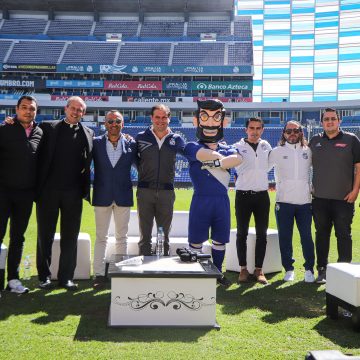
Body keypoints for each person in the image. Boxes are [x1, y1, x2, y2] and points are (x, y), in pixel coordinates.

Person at [36, 96, 93, 290]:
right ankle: (44, 276)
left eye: (80, 110)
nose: (76, 112)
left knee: (71, 236)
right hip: (48, 191)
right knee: (45, 235)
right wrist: (11, 122)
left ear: (83, 113)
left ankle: (66, 277)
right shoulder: (46, 127)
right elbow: (27, 133)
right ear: (66, 108)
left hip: (73, 193)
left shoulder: (88, 132)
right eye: (73, 108)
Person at [184, 99, 242, 287]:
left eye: (216, 117)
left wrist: (213, 164)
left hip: (221, 201)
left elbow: (236, 159)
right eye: (204, 117)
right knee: (196, 240)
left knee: (219, 239)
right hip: (201, 200)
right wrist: (221, 161)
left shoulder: (229, 148)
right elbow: (222, 159)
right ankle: (196, 274)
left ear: (223, 121)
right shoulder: (192, 146)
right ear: (197, 121)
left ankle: (216, 273)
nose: (210, 123)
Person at [310, 108, 360, 284]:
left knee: (343, 235)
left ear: (339, 121)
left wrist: (355, 191)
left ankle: (343, 271)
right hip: (320, 199)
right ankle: (322, 270)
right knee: (321, 235)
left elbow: (359, 167)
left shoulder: (351, 140)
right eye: (326, 119)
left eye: (333, 118)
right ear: (322, 122)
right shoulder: (314, 141)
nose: (329, 122)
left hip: (343, 199)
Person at [0, 95, 43, 294]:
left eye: (32, 108)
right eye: (24, 107)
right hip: (3, 192)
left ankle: (13, 280)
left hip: (26, 194)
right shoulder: (4, 129)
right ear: (16, 110)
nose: (28, 111)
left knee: (18, 237)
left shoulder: (40, 132)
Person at [92, 110, 137, 287]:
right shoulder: (95, 143)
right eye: (110, 121)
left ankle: (120, 272)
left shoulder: (131, 144)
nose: (114, 124)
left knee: (122, 237)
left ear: (122, 124)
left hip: (123, 196)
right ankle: (98, 274)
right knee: (101, 237)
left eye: (117, 121)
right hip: (102, 196)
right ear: (105, 124)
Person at [269, 121, 315, 283]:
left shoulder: (308, 151)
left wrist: (314, 186)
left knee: (306, 237)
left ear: (301, 133)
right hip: (284, 202)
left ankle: (309, 269)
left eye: (296, 130)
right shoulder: (276, 152)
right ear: (284, 133)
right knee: (285, 238)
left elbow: (320, 169)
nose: (292, 133)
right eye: (289, 131)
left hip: (304, 203)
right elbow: (261, 169)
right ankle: (289, 269)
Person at [136, 104, 185, 256]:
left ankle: (162, 263)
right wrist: (143, 170)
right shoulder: (141, 137)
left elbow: (191, 155)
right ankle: (144, 264)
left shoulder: (176, 139)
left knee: (163, 232)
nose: (160, 120)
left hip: (166, 193)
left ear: (169, 119)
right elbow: (132, 159)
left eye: (164, 117)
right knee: (145, 232)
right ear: (151, 118)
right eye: (157, 117)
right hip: (145, 191)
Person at [233, 117, 272, 285]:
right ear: (246, 130)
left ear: (262, 130)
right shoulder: (237, 147)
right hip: (243, 195)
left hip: (262, 195)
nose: (254, 131)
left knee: (262, 234)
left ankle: (258, 269)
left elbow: (266, 167)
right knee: (241, 233)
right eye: (251, 128)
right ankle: (243, 269)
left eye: (258, 128)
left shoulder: (266, 146)